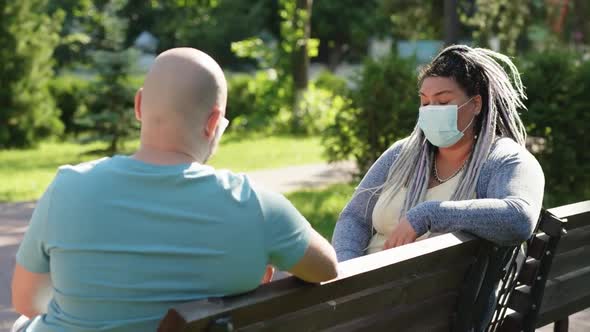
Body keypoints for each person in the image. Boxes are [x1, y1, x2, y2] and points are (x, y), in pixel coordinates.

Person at [11, 48, 338, 332]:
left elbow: (27, 301)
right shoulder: (255, 205)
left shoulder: (68, 186)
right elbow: (327, 267)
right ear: (213, 123)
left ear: (139, 105)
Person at [332, 45, 545, 262]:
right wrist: (347, 268)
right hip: (366, 283)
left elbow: (519, 218)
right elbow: (354, 218)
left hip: (431, 293)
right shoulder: (401, 154)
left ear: (477, 104)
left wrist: (430, 214)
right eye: (425, 102)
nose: (431, 109)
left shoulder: (506, 160)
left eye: (443, 102)